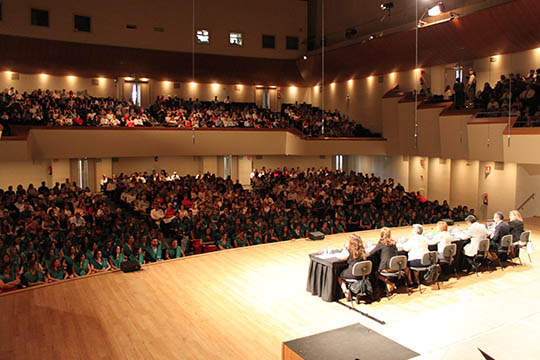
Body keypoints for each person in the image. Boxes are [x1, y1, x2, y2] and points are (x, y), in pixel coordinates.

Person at [367, 227, 399, 293]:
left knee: (374, 272)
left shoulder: (382, 243)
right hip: (396, 267)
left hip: (387, 268)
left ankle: (388, 282)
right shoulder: (394, 243)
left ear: (381, 234)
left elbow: (371, 253)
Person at [338, 234, 367, 301]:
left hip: (352, 274)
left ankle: (345, 291)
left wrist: (344, 249)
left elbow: (341, 258)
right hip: (362, 274)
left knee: (340, 276)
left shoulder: (350, 251)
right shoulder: (363, 251)